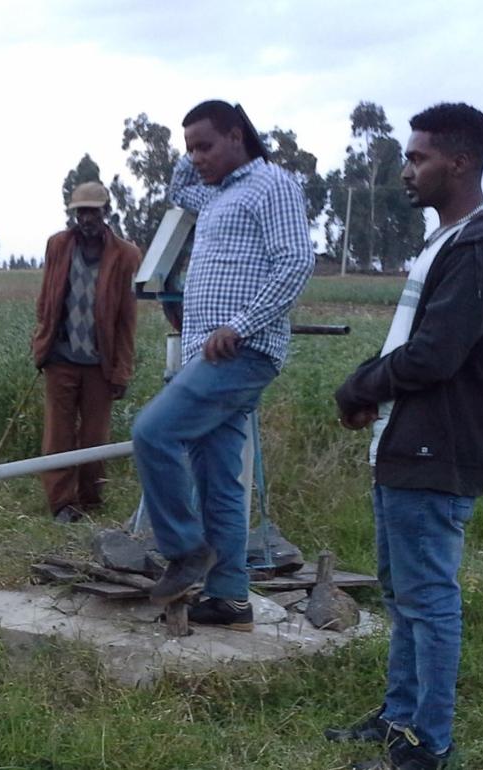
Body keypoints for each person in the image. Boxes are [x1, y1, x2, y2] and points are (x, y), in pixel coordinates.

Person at [330, 103, 483, 770]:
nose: (406, 170)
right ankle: (399, 718)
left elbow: (434, 356)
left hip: (438, 447)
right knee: (402, 595)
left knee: (428, 599)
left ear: (461, 162)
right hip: (406, 441)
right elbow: (415, 346)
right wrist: (372, 390)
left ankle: (426, 746)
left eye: (418, 157)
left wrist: (360, 386)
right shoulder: (447, 242)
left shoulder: (482, 249)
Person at [131, 100, 314, 629]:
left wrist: (241, 324)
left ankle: (184, 550)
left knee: (152, 432)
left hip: (240, 349)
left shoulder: (272, 184)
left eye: (206, 145)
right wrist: (195, 151)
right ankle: (231, 596)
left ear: (239, 137)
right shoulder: (214, 194)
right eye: (190, 147)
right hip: (207, 354)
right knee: (218, 480)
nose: (196, 157)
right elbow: (176, 186)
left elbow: (296, 262)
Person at [31, 181, 140, 523]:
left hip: (99, 362)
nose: (87, 218)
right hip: (60, 358)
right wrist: (42, 343)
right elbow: (47, 300)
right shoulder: (58, 246)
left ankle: (91, 497)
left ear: (105, 212)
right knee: (59, 435)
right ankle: (62, 503)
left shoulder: (125, 254)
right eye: (81, 212)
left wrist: (122, 369)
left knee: (95, 436)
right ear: (74, 214)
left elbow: (126, 318)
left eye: (93, 211)